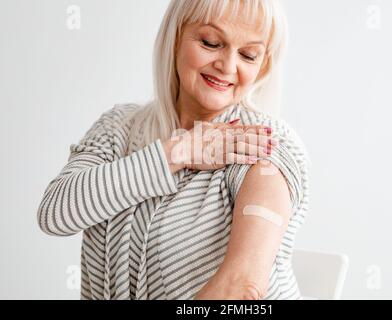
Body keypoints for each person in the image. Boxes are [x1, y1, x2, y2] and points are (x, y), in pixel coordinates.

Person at [37, 0, 310, 300]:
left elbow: (242, 287)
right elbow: (55, 214)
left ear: (263, 67)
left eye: (248, 55)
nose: (228, 66)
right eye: (211, 42)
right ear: (176, 36)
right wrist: (180, 151)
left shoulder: (260, 143)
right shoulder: (119, 128)